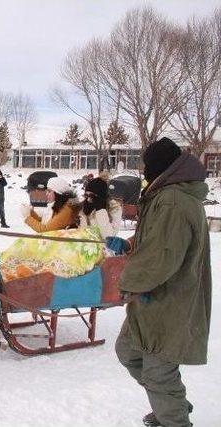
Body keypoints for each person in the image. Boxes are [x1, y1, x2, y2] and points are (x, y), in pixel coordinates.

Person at [107, 137, 210, 427]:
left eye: (147, 167)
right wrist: (129, 244)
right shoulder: (166, 194)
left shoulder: (173, 200)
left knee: (158, 372)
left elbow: (162, 255)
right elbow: (157, 240)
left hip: (168, 299)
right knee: (128, 352)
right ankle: (172, 403)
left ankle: (174, 418)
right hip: (153, 296)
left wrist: (130, 283)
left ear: (160, 167)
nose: (143, 173)